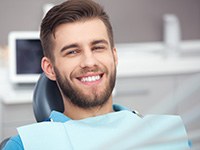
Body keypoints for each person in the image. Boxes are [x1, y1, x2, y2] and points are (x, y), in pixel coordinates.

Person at [2, 0, 190, 149]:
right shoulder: (25, 146)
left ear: (114, 56)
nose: (89, 62)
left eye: (98, 47)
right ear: (50, 68)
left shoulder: (167, 136)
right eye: (72, 52)